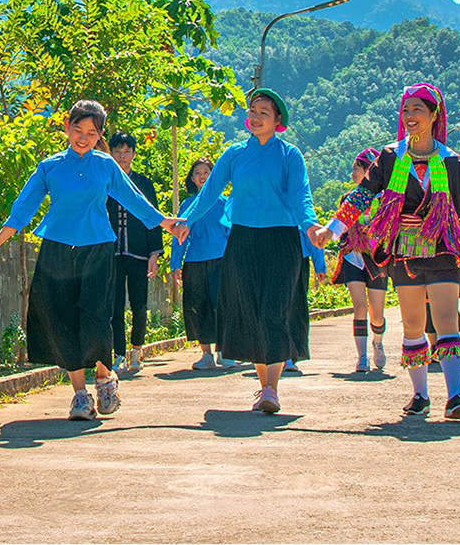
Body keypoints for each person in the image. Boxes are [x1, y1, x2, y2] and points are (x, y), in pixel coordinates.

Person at [312, 84, 460, 421]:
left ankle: (456, 396)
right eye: (406, 110)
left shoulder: (451, 162)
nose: (410, 116)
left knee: (446, 321)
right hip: (404, 253)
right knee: (414, 324)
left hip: (444, 252)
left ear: (434, 115)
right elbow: (362, 195)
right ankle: (420, 394)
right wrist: (333, 229)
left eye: (418, 109)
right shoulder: (390, 157)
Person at [0, 100, 173, 420]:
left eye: (91, 133)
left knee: (96, 319)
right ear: (67, 127)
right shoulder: (50, 167)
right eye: (78, 130)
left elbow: (133, 199)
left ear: (99, 135)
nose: (83, 137)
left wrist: (165, 223)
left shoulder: (106, 165)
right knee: (62, 320)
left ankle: (105, 378)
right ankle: (80, 395)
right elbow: (22, 209)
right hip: (56, 249)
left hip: (97, 249)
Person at [170, 89, 317, 414]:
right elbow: (208, 194)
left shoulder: (289, 155)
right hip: (242, 242)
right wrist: (187, 221)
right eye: (252, 110)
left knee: (274, 310)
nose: (256, 115)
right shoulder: (234, 155)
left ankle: (270, 388)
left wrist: (311, 226)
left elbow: (300, 195)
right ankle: (265, 385)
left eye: (264, 111)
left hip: (281, 241)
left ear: (278, 121)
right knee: (251, 310)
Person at [105, 130, 163, 377]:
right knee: (115, 307)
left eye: (126, 151)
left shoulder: (144, 183)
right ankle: (119, 354)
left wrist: (154, 253)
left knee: (140, 306)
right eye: (117, 151)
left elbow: (154, 218)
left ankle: (137, 351)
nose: (121, 155)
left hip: (139, 253)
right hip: (112, 254)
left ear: (133, 153)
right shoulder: (104, 181)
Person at [327, 148, 391, 373]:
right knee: (359, 306)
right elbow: (341, 225)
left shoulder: (385, 199)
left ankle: (378, 342)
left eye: (357, 168)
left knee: (377, 312)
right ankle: (362, 356)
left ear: (369, 170)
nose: (353, 172)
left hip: (377, 259)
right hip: (353, 257)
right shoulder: (348, 199)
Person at [169, 157, 231, 369]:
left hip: (221, 261)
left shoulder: (224, 203)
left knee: (221, 305)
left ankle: (224, 351)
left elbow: (233, 234)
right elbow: (178, 236)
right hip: (194, 262)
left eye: (206, 172)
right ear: (192, 178)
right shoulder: (188, 205)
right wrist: (175, 264)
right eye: (197, 173)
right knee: (198, 306)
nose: (202, 176)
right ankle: (206, 354)